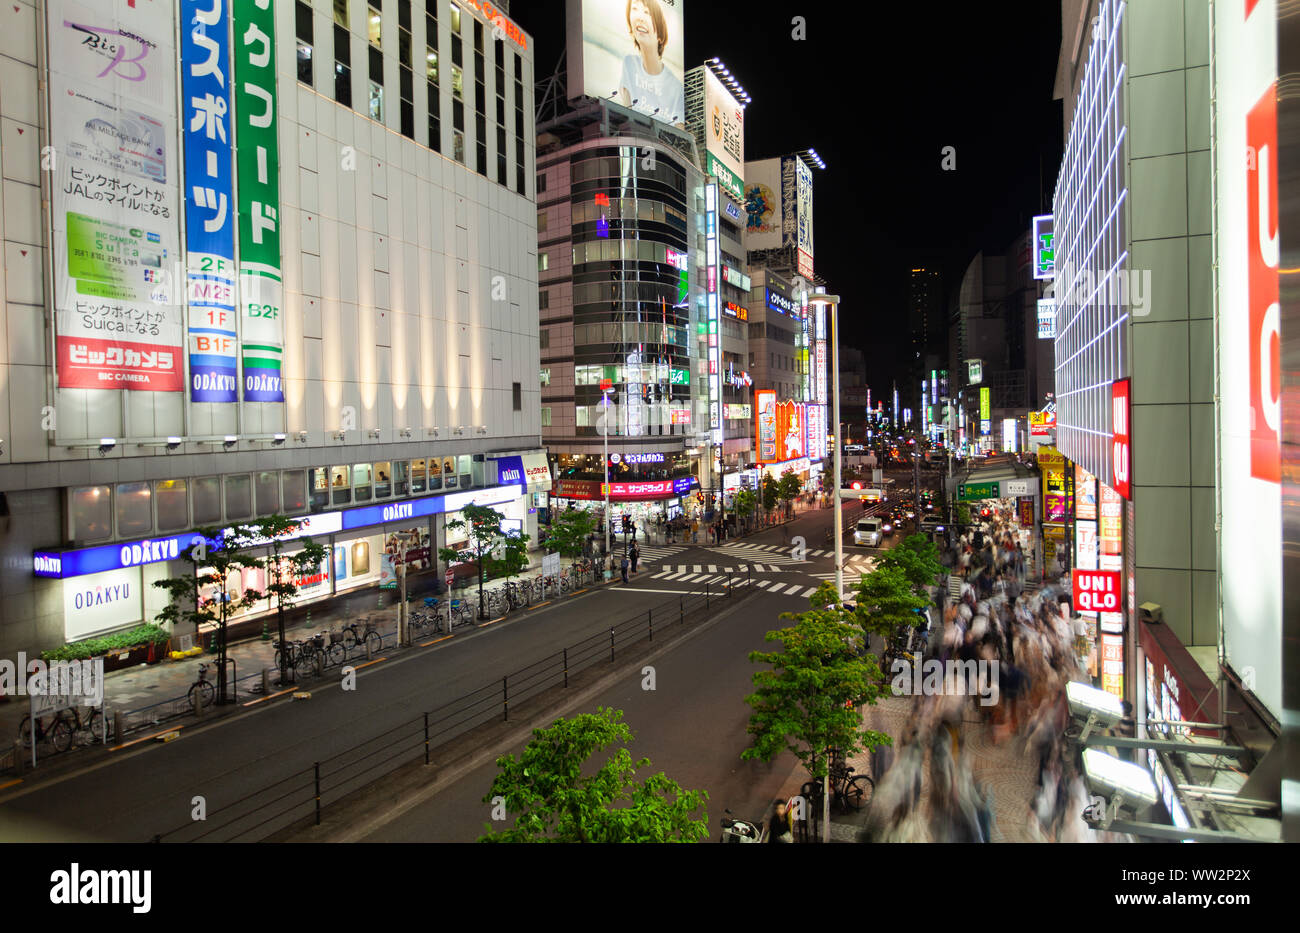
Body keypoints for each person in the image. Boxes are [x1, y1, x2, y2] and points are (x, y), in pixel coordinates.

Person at [617, 0, 686, 127]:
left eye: (646, 12)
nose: (639, 18)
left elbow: (680, 135)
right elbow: (628, 116)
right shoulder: (630, 64)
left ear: (660, 34)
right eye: (635, 9)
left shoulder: (676, 89)